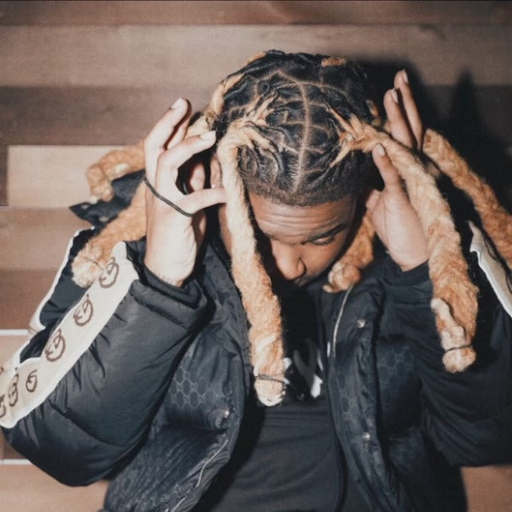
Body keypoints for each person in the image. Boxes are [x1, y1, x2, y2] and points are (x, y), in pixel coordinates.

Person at [1, 50, 511, 512]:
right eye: (262, 237)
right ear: (214, 180)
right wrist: (157, 284)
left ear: (364, 197)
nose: (289, 266)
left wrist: (424, 268)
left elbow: (487, 439)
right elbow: (59, 450)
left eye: (321, 237)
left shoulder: (412, 258)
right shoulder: (128, 252)